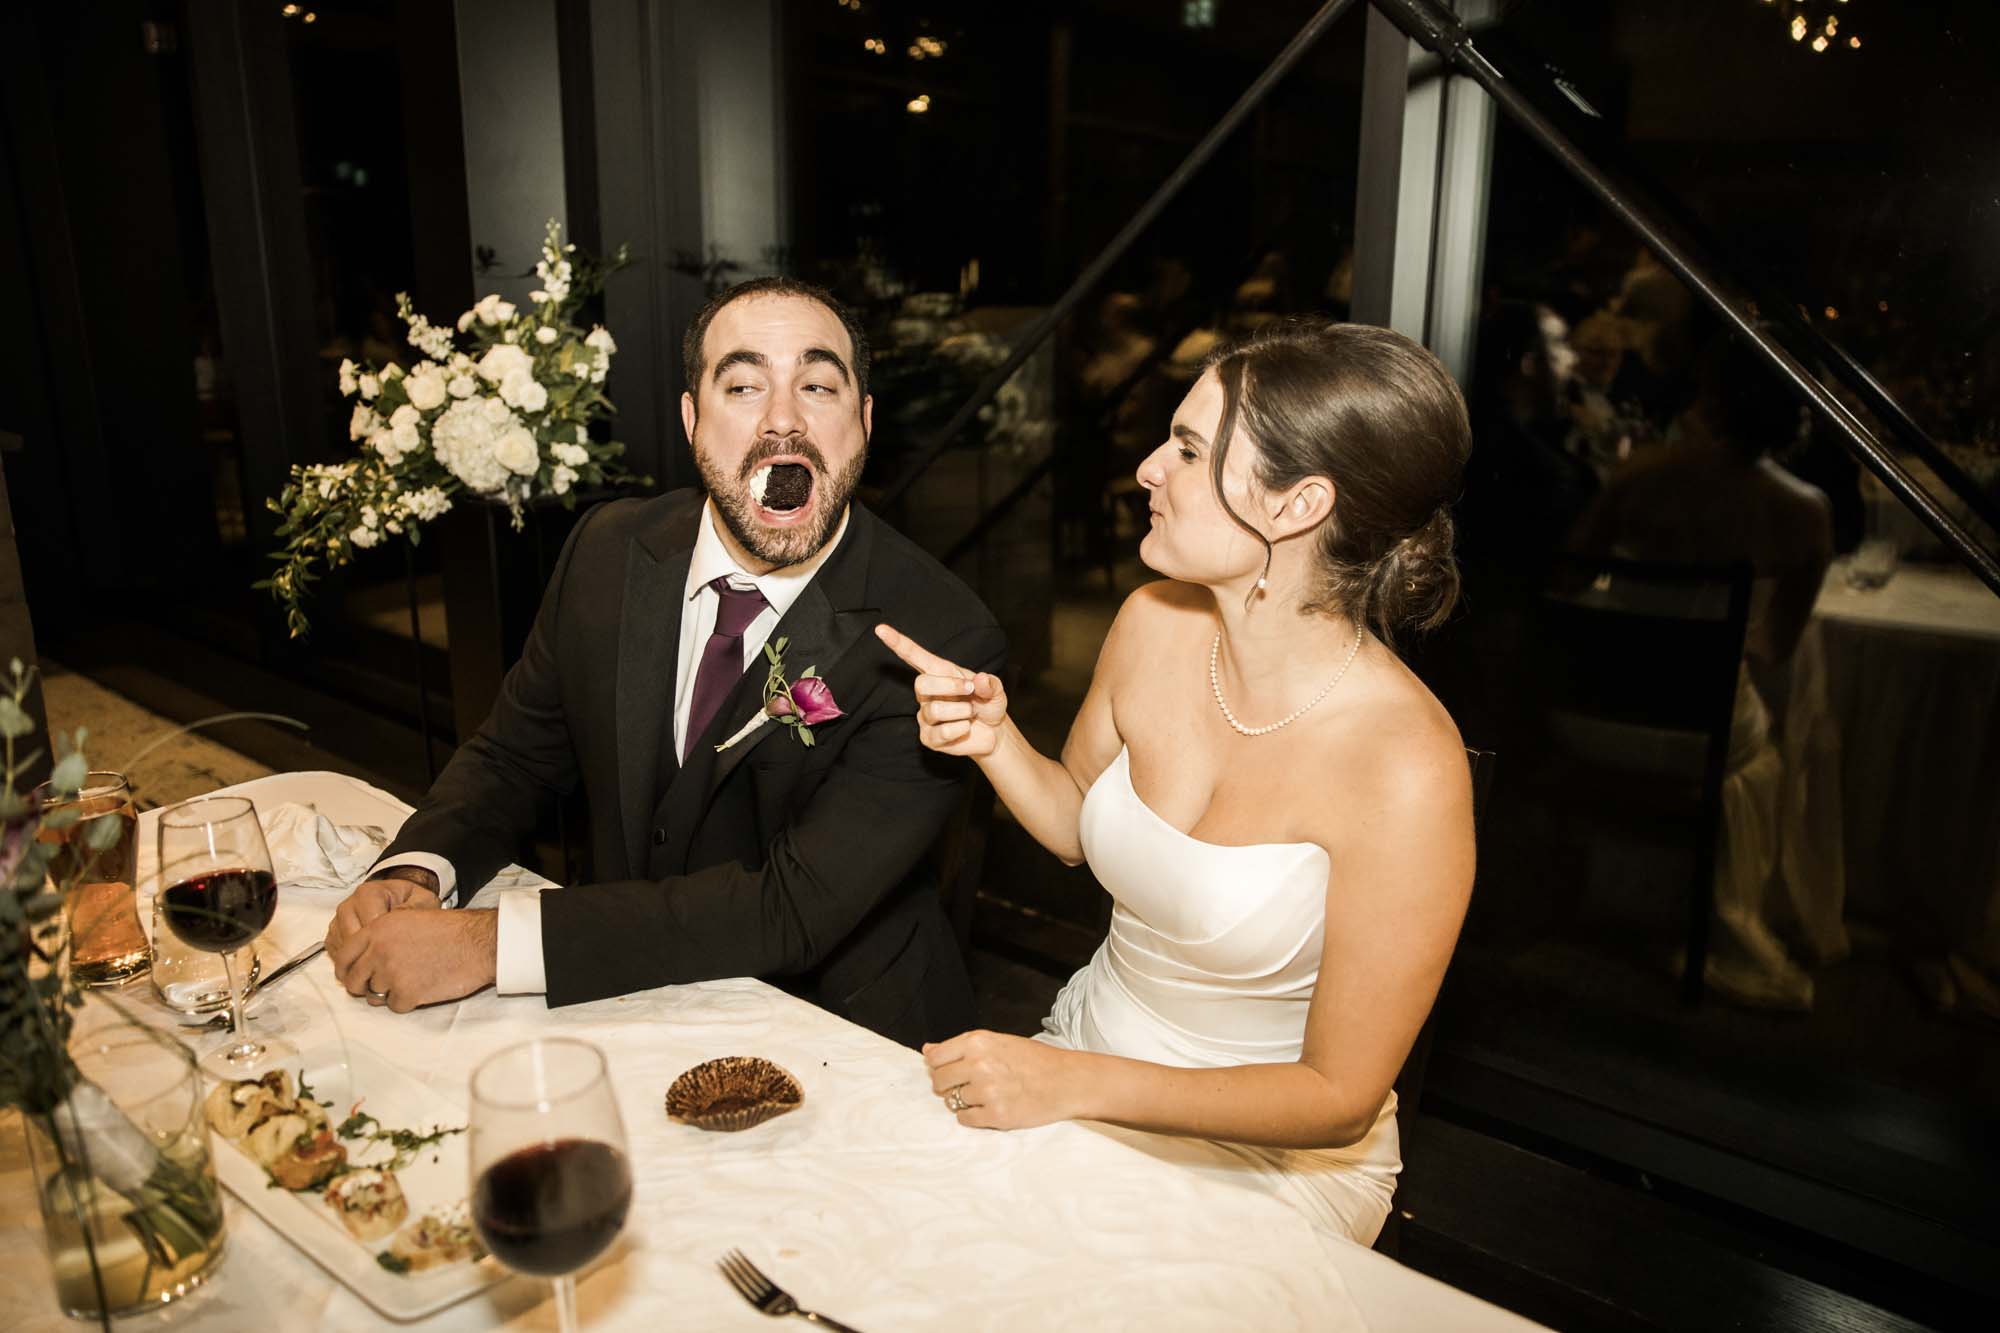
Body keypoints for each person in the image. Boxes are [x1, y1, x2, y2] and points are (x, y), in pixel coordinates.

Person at [877, 319, 1477, 1245]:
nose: (1149, 467)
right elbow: (1078, 824)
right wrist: (994, 740)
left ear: (1295, 504)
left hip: (1270, 1161)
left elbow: (1337, 1097)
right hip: (1087, 1051)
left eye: (1190, 449)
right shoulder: (1152, 620)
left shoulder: (1407, 765)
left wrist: (1077, 1084)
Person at [324, 277, 1006, 1047]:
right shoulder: (607, 551)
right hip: (618, 1001)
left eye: (818, 385)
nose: (783, 419)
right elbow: (515, 755)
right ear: (691, 419)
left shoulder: (939, 633)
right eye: (744, 385)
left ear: (864, 421)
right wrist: (419, 868)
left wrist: (492, 944)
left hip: (839, 1032)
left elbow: (791, 906)